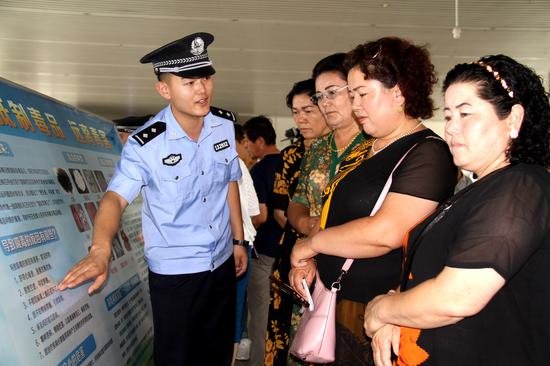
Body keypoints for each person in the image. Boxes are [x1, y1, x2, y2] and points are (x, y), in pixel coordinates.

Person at [57, 32, 248, 366]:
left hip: (220, 264)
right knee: (177, 358)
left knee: (217, 353)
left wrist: (238, 240)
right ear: (165, 89)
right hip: (176, 275)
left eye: (205, 78)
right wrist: (100, 251)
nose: (201, 89)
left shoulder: (223, 126)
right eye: (188, 82)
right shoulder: (145, 146)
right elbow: (114, 199)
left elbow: (229, 181)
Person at [364, 55, 550, 366]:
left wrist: (381, 309)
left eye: (466, 114)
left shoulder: (522, 186)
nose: (452, 129)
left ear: (514, 119)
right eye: (449, 116)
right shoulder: (477, 190)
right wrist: (399, 306)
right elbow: (433, 271)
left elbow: (457, 296)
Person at [290, 37, 457, 365]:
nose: (355, 106)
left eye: (363, 94)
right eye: (351, 96)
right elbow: (338, 216)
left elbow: (386, 232)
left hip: (377, 311)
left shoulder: (427, 153)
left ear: (398, 91)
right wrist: (316, 259)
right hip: (339, 298)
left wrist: (312, 245)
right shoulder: (366, 148)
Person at [265, 78, 330, 366]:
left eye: (308, 110)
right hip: (292, 251)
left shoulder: (351, 152)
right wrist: (307, 228)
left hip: (331, 256)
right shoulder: (290, 156)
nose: (301, 119)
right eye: (295, 112)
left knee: (320, 335)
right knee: (284, 334)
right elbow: (282, 210)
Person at [287, 53, 367, 239]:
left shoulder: (374, 143)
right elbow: (298, 201)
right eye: (319, 96)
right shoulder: (318, 147)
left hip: (358, 252)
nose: (325, 103)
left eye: (332, 92)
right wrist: (304, 223)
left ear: (354, 90)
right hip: (313, 252)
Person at [242, 115, 283, 366]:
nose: (245, 145)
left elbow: (261, 214)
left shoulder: (260, 169)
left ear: (259, 141)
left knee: (259, 315)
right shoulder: (292, 160)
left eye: (246, 140)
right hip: (289, 252)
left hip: (264, 252)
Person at [233, 123, 261, 365]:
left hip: (235, 247)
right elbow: (254, 213)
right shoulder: (239, 164)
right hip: (241, 244)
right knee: (234, 308)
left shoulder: (238, 165)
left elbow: (255, 212)